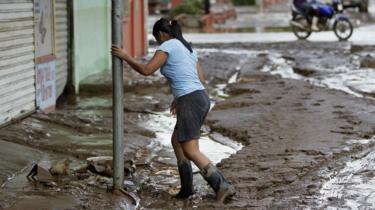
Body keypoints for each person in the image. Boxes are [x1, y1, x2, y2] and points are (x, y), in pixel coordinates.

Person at [111, 18, 235, 203]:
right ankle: (186, 189)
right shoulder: (187, 48)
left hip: (191, 100)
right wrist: (179, 98)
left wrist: (126, 56)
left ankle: (222, 185)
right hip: (200, 97)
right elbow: (199, 77)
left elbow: (146, 70)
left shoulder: (168, 45)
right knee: (177, 141)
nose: (158, 42)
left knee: (191, 149)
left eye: (157, 39)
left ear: (161, 34)